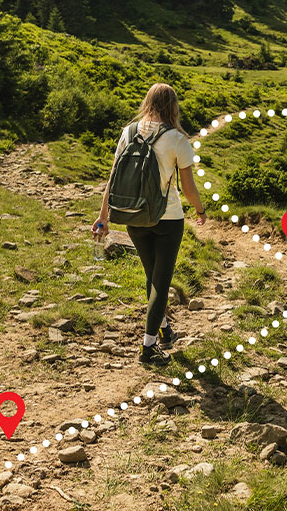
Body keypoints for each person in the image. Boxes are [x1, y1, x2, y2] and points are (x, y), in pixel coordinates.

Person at [93, 83, 207, 365]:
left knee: (152, 276)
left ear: (148, 102)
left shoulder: (129, 132)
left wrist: (103, 216)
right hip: (168, 219)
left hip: (134, 216)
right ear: (173, 106)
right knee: (161, 281)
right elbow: (188, 189)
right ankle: (148, 347)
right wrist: (200, 209)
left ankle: (164, 330)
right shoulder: (177, 139)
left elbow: (113, 177)